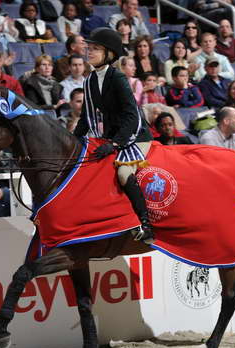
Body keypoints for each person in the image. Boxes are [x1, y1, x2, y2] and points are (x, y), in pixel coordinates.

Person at [73, 27, 155, 243]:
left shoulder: (117, 77)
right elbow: (86, 118)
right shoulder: (89, 80)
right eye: (89, 48)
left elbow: (131, 115)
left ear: (108, 53)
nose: (89, 52)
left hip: (135, 135)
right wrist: (72, 142)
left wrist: (115, 143)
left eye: (95, 49)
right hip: (110, 136)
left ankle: (146, 224)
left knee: (122, 173)